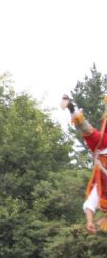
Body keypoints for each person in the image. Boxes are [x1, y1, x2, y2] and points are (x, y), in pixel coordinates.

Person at [63, 94, 107, 234]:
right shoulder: (102, 189)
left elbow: (89, 205)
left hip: (101, 149)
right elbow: (90, 205)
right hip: (101, 149)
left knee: (87, 130)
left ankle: (72, 108)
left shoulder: (101, 189)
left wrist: (90, 222)